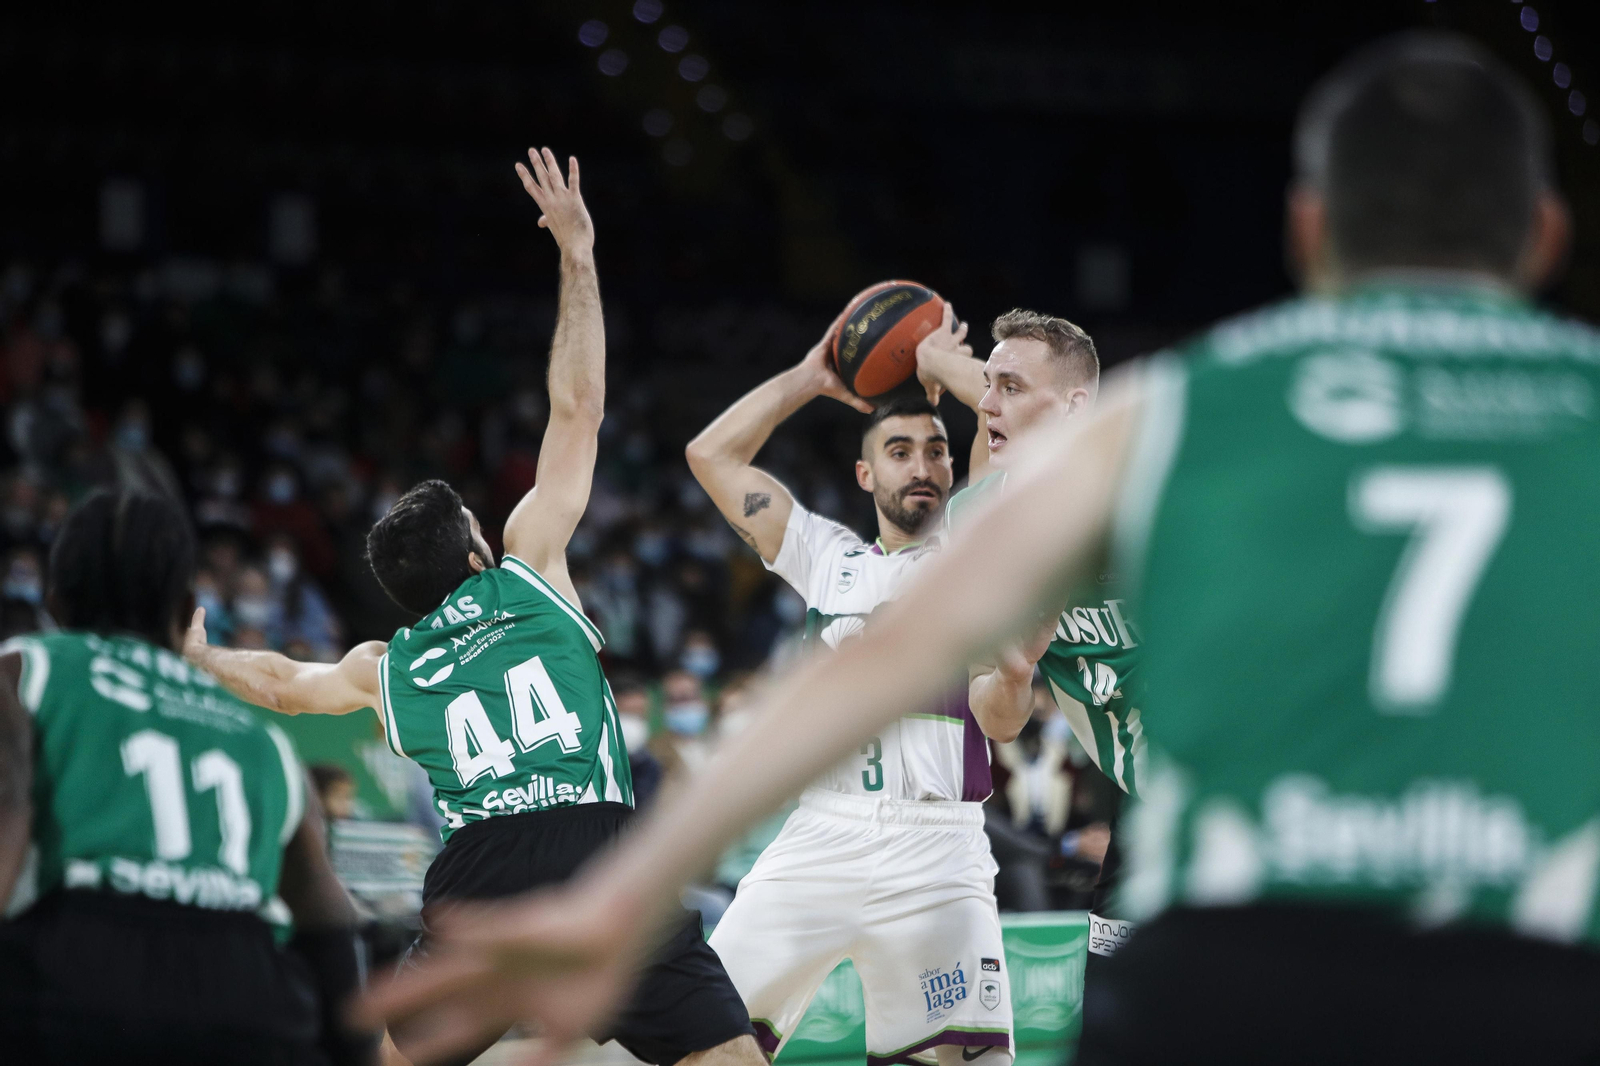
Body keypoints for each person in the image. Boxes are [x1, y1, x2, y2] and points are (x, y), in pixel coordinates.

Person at [362, 32, 1600, 1066]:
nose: (977, 418)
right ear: (1546, 236)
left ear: (1307, 227)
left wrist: (625, 889)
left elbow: (886, 665)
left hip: (1239, 936)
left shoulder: (1185, 413)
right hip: (1532, 943)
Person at [184, 148, 762, 1066]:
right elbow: (578, 409)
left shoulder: (387, 665)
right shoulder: (530, 566)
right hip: (597, 848)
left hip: (478, 875)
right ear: (476, 549)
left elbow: (287, 684)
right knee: (727, 1060)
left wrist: (203, 658)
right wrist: (578, 251)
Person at [682, 323, 1016, 1066]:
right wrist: (809, 377)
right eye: (898, 453)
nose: (921, 466)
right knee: (699, 1040)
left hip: (940, 849)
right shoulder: (821, 554)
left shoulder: (976, 545)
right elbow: (709, 455)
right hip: (821, 837)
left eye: (936, 450)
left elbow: (1018, 424)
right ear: (866, 476)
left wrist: (945, 364)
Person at [0, 490, 374, 1065]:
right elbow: (329, 924)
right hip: (251, 999)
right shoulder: (260, 736)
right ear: (184, 613)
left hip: (77, 979)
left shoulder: (26, 667)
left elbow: (8, 824)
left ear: (56, 601)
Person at [931, 309, 1141, 965]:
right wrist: (1016, 675)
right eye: (987, 385)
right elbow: (996, 723)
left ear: (1077, 406)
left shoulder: (1150, 482)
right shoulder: (977, 520)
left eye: (1011, 388)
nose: (989, 403)